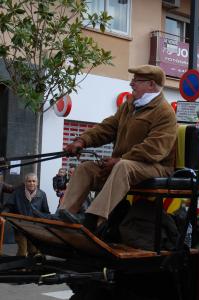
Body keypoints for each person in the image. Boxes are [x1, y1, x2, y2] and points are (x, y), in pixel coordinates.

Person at [55, 65, 177, 233]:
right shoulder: (129, 106)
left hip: (156, 167)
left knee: (123, 167)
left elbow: (155, 148)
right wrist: (82, 141)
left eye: (136, 81)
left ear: (151, 84)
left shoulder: (165, 112)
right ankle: (63, 215)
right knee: (85, 168)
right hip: (125, 164)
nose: (131, 84)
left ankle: (92, 220)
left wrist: (121, 159)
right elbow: (107, 128)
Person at [3, 173, 49, 256]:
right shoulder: (17, 193)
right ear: (25, 182)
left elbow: (46, 212)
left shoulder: (42, 194)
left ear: (37, 183)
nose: (31, 183)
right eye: (29, 181)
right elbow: (9, 206)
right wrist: (2, 216)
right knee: (23, 250)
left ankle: (30, 268)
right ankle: (21, 268)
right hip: (20, 226)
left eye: (34, 181)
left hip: (34, 227)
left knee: (33, 250)